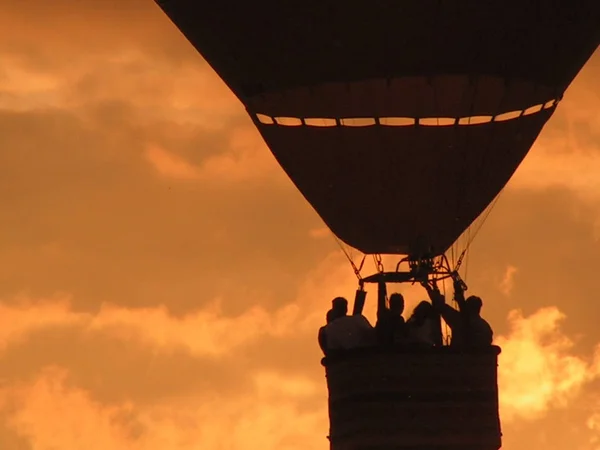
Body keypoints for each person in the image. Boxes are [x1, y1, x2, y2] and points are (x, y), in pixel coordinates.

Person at [424, 277, 493, 348]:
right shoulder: (485, 326)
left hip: (458, 356)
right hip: (475, 357)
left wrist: (428, 287)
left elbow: (440, 305)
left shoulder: (459, 320)